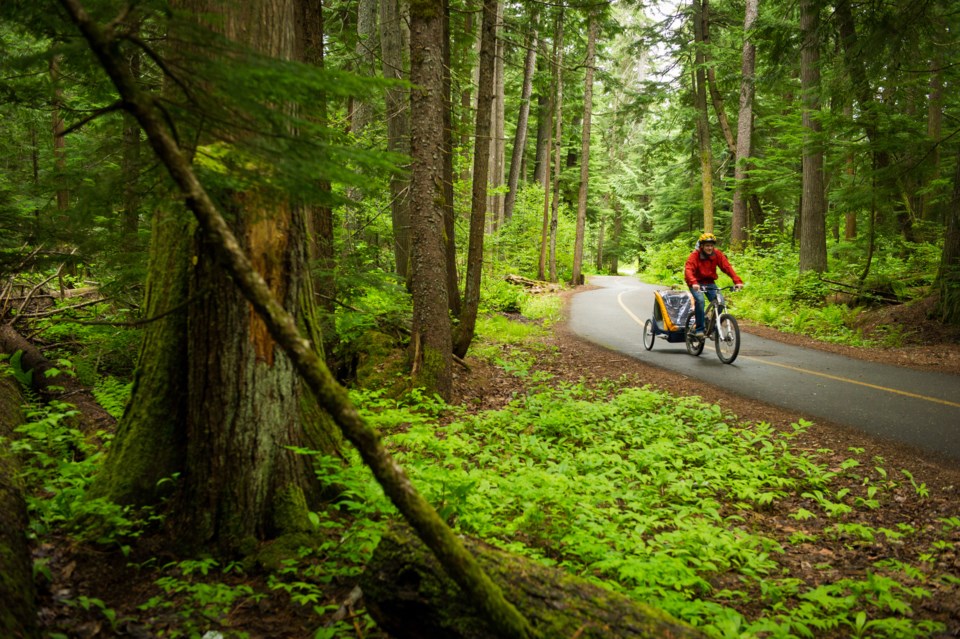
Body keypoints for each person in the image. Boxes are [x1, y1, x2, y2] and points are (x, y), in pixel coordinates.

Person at [684, 232, 744, 337]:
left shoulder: (717, 254)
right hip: (696, 283)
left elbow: (727, 267)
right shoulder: (694, 255)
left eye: (711, 245)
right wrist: (694, 283)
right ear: (702, 246)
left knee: (720, 303)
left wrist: (737, 281)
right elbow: (688, 270)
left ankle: (712, 327)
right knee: (700, 301)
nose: (709, 248)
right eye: (707, 245)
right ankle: (699, 329)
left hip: (710, 283)